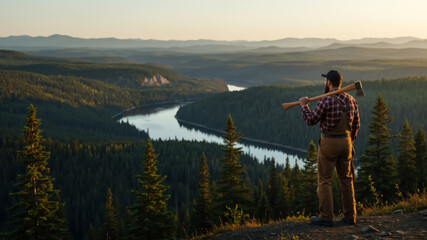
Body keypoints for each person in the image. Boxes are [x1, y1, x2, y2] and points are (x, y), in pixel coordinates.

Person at [298, 70, 360, 226]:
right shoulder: (351, 99)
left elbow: (311, 120)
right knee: (346, 179)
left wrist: (304, 106)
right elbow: (356, 125)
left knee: (325, 180)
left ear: (328, 82)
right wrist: (349, 141)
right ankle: (350, 216)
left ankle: (326, 217)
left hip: (329, 143)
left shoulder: (325, 100)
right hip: (346, 142)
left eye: (325, 81)